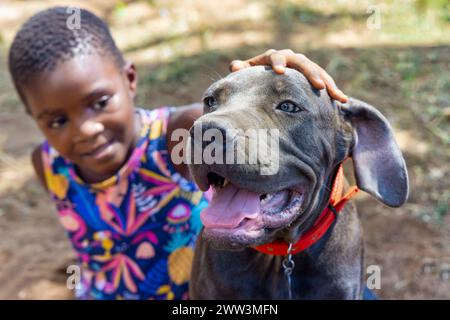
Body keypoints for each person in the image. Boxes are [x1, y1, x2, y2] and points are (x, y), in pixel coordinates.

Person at [7, 6, 347, 299]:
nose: (86, 130)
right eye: (57, 121)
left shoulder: (177, 135)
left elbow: (249, 126)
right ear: (35, 119)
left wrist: (272, 79)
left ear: (129, 79)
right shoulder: (49, 164)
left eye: (99, 103)